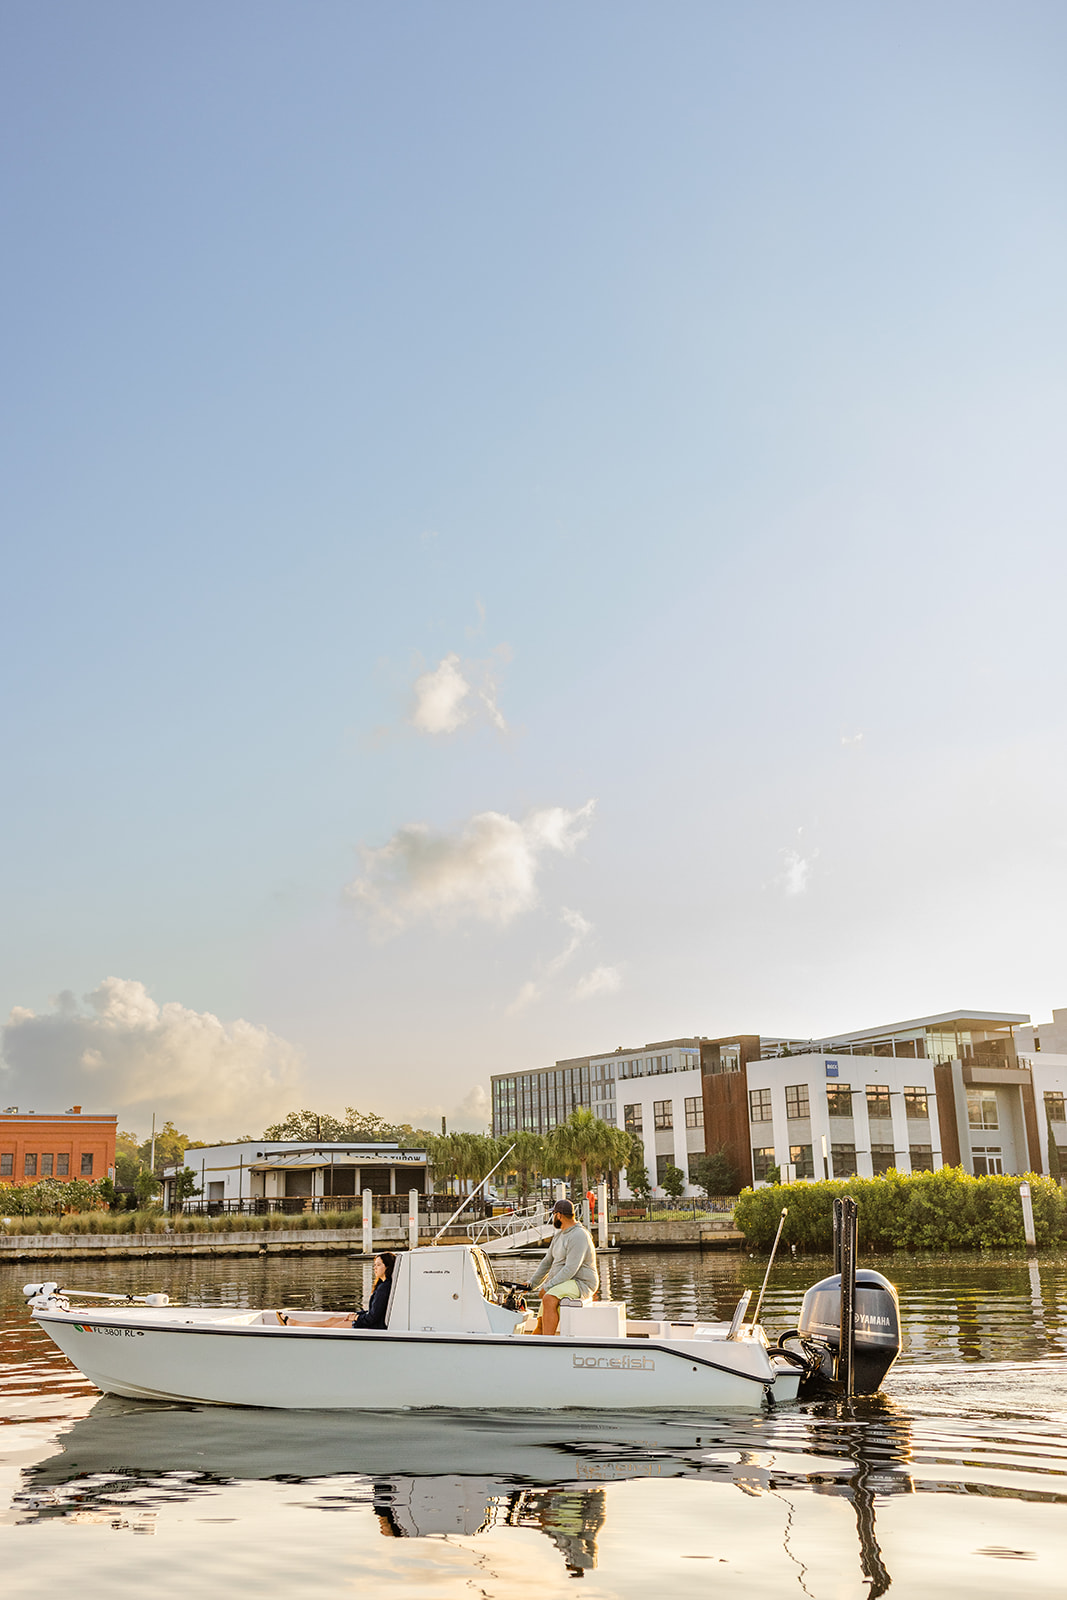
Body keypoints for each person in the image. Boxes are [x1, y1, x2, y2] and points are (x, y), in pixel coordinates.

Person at [277, 1251, 396, 1329]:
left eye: (378, 1265)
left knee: (332, 1327)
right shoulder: (382, 1285)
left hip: (371, 1326)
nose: (375, 1268)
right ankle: (295, 1323)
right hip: (368, 1322)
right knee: (332, 1319)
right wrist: (355, 1314)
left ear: (387, 1267)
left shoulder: (384, 1288)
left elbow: (373, 1318)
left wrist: (355, 1318)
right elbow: (373, 1311)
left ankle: (294, 1324)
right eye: (374, 1265)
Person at [529, 1199, 598, 1335]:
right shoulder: (559, 1235)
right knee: (540, 1322)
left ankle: (548, 1344)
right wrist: (532, 1284)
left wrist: (547, 1287)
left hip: (581, 1283)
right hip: (564, 1283)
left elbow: (571, 1269)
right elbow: (547, 1262)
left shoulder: (579, 1235)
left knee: (548, 1298)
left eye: (553, 1214)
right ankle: (529, 1347)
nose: (552, 1218)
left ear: (559, 1215)